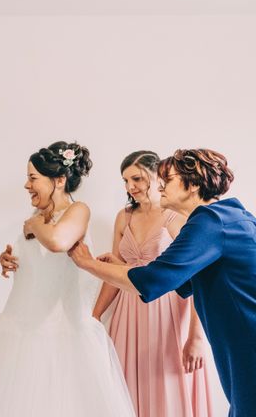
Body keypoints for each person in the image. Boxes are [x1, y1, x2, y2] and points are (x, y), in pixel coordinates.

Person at [68, 148, 256, 417]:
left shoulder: (210, 221)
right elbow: (179, 280)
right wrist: (122, 267)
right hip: (239, 344)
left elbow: (152, 281)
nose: (160, 185)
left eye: (168, 180)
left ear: (192, 185)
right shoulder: (227, 218)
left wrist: (87, 263)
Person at [0, 142, 134, 417]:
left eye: (33, 178)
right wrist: (13, 261)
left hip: (63, 332)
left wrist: (34, 226)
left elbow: (58, 241)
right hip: (18, 326)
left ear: (59, 180)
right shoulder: (37, 216)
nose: (26, 185)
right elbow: (42, 260)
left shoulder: (78, 211)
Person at [92, 150, 214, 416]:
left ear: (155, 175)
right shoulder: (124, 216)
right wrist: (95, 316)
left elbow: (197, 279)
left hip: (167, 314)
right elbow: (115, 272)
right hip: (127, 314)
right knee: (126, 387)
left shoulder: (175, 217)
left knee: (167, 386)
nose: (130, 187)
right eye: (125, 181)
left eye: (136, 178)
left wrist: (196, 337)